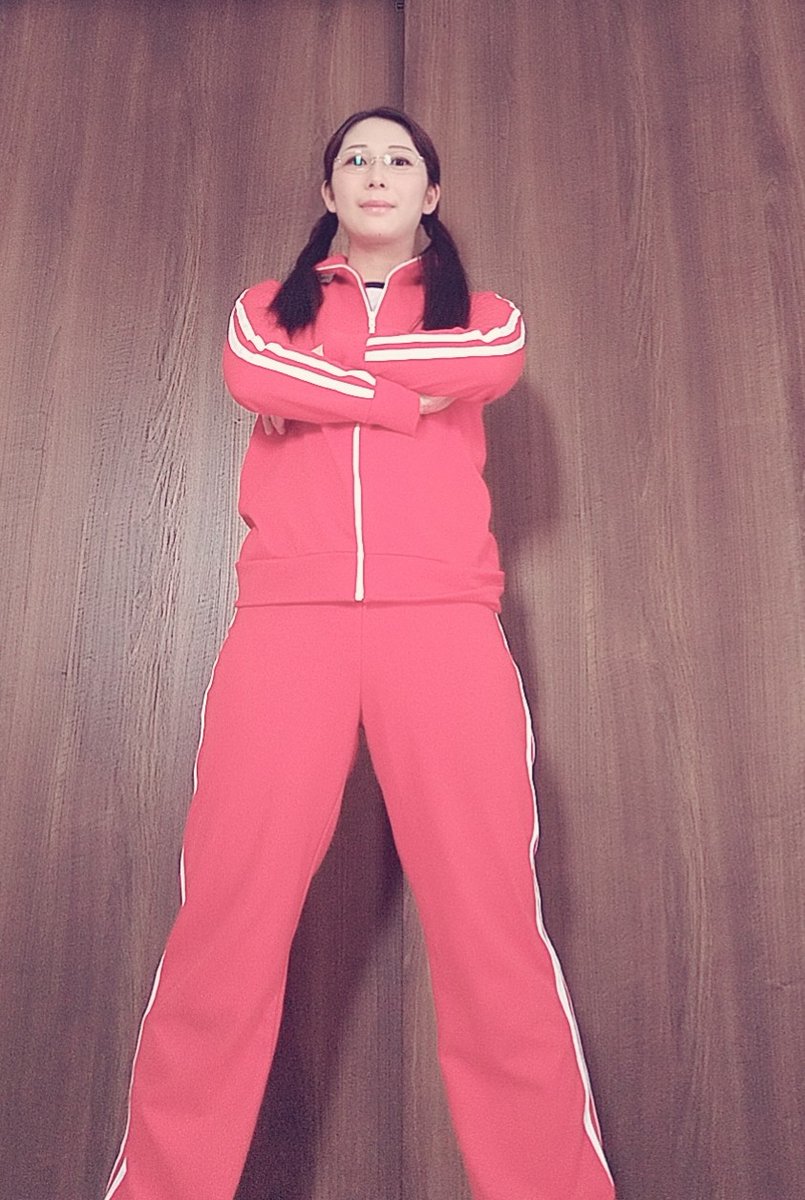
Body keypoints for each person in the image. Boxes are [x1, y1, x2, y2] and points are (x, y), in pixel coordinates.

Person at [103, 106, 616, 1200]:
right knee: (224, 931)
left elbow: (491, 360)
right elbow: (252, 369)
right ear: (328, 193)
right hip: (287, 631)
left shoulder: (481, 314)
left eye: (399, 160)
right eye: (354, 159)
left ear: (431, 194)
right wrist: (401, 399)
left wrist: (327, 387)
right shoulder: (266, 310)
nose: (375, 173)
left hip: (443, 628)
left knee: (491, 935)